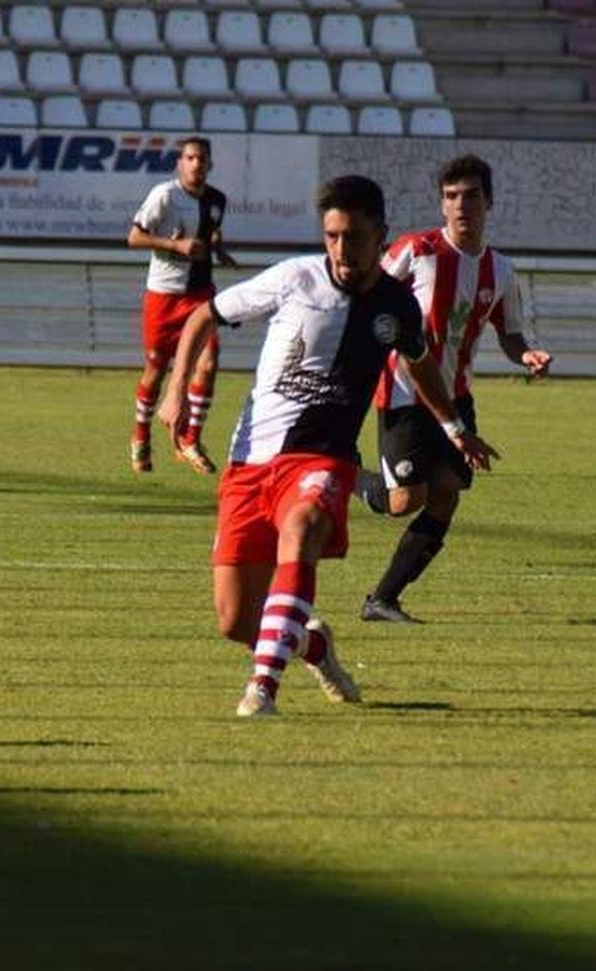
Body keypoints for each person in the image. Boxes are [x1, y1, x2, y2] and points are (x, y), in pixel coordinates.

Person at [158, 175, 490, 718]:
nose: (340, 249)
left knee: (305, 524)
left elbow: (420, 364)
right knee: (235, 621)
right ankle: (313, 645)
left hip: (322, 456)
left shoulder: (397, 306)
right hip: (251, 461)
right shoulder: (294, 279)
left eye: (353, 237)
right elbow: (204, 316)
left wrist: (454, 427)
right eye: (332, 236)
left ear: (380, 236)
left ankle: (261, 690)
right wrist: (176, 393)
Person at [356, 154, 552, 624]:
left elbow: (510, 333)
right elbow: (366, 293)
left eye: (470, 196)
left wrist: (526, 354)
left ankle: (383, 599)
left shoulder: (500, 271)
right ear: (442, 205)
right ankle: (347, 473)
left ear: (489, 202)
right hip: (404, 391)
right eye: (451, 196)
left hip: (456, 395)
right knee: (404, 501)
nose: (461, 205)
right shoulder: (416, 250)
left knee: (445, 493)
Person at [126, 136, 236, 476]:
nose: (196, 164)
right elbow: (134, 237)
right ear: (179, 163)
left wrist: (218, 250)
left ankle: (190, 439)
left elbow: (211, 231)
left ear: (210, 164)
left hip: (199, 295)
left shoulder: (217, 200)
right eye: (190, 158)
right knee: (156, 371)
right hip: (164, 296)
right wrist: (175, 246)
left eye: (201, 158)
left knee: (209, 360)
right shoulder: (164, 195)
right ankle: (141, 435)